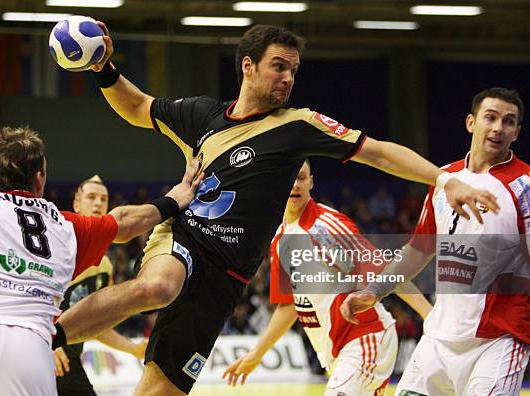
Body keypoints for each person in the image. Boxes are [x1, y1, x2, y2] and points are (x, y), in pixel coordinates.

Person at [54, 23, 500, 395]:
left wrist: (443, 178)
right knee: (158, 288)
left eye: (293, 70)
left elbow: (378, 152)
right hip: (184, 238)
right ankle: (46, 335)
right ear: (248, 67)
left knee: (158, 391)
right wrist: (103, 67)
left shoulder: (298, 126)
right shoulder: (202, 116)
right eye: (278, 67)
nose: (288, 78)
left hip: (226, 278)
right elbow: (136, 106)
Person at [0, 126, 200, 395]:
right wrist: (175, 199)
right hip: (32, 352)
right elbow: (124, 222)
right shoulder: (66, 225)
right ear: (39, 178)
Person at [340, 87, 529, 395]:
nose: (498, 128)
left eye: (508, 122)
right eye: (490, 118)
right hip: (438, 340)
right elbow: (418, 249)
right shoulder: (443, 177)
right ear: (471, 122)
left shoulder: (524, 187)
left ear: (517, 132)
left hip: (498, 342)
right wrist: (374, 292)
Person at [222, 160, 433, 395]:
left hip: (365, 337)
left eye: (301, 177)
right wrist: (257, 354)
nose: (295, 185)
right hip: (337, 352)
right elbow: (289, 306)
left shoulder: (326, 227)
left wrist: (428, 315)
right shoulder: (281, 238)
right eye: (289, 177)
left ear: (311, 182)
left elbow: (386, 271)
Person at [55, 174, 147, 395]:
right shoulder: (58, 245)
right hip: (40, 354)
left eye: (103, 199)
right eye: (91, 197)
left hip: (68, 362)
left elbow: (93, 324)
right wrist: (46, 342)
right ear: (76, 205)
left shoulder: (105, 265)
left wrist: (134, 349)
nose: (98, 203)